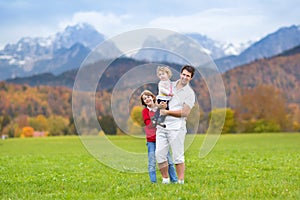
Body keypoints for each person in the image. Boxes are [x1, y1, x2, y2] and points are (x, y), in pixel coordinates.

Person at [155, 65, 196, 184]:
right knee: (159, 154)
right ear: (180, 74)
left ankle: (180, 181)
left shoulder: (189, 93)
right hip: (162, 126)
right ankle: (165, 180)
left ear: (191, 78)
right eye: (183, 74)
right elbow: (159, 99)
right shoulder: (169, 84)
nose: (185, 77)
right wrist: (159, 105)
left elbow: (185, 112)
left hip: (176, 128)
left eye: (188, 76)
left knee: (178, 156)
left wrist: (167, 112)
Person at [140, 89, 178, 183]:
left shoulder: (161, 109)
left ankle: (174, 180)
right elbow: (149, 124)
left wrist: (164, 109)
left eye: (148, 97)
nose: (147, 99)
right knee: (152, 162)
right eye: (144, 99)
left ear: (153, 97)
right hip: (151, 140)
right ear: (144, 102)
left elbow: (166, 118)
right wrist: (159, 116)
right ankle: (153, 183)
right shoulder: (145, 111)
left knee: (168, 161)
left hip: (162, 139)